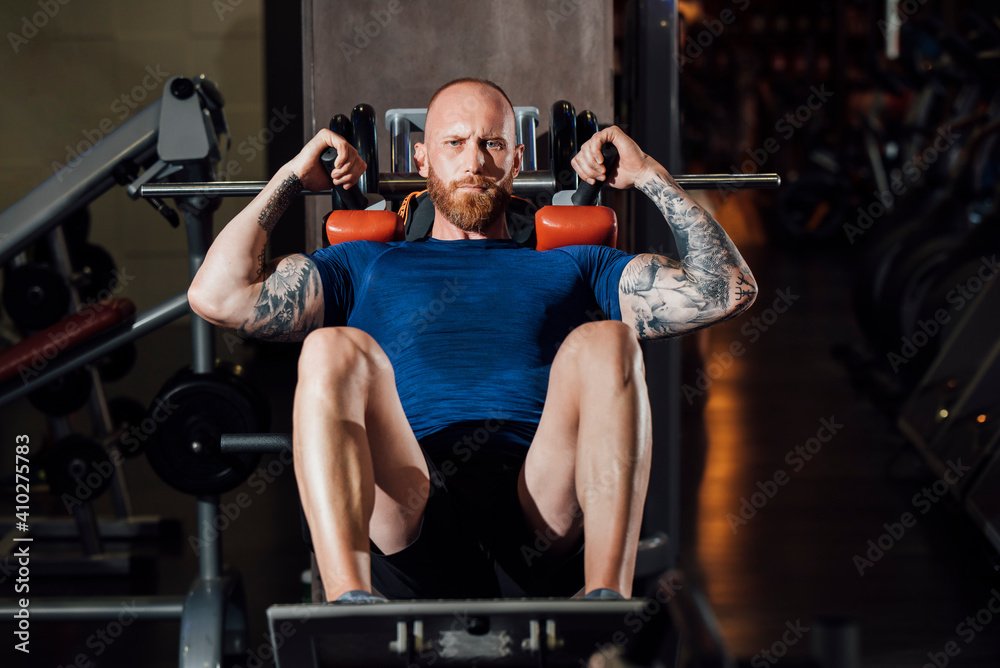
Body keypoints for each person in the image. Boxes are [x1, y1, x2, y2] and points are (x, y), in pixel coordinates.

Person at [188, 77, 757, 603]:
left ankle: (605, 597)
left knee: (610, 342)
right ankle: (349, 606)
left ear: (517, 159)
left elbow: (726, 291)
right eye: (454, 143)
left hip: (538, 502)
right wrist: (290, 178)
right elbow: (216, 296)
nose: (474, 161)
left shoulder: (577, 265)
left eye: (492, 144)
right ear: (421, 158)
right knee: (328, 349)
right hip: (408, 502)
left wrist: (650, 174)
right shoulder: (366, 262)